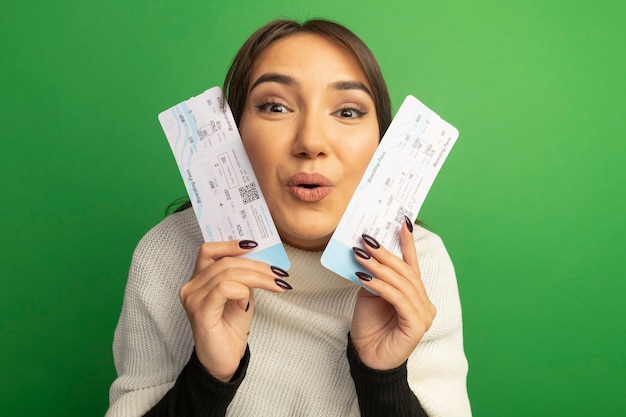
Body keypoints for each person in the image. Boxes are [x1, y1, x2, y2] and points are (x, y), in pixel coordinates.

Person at [106, 18, 471, 417]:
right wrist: (209, 377)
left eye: (348, 112)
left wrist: (382, 377)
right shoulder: (168, 253)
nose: (311, 142)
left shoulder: (420, 266)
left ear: (381, 145)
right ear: (233, 132)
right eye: (275, 106)